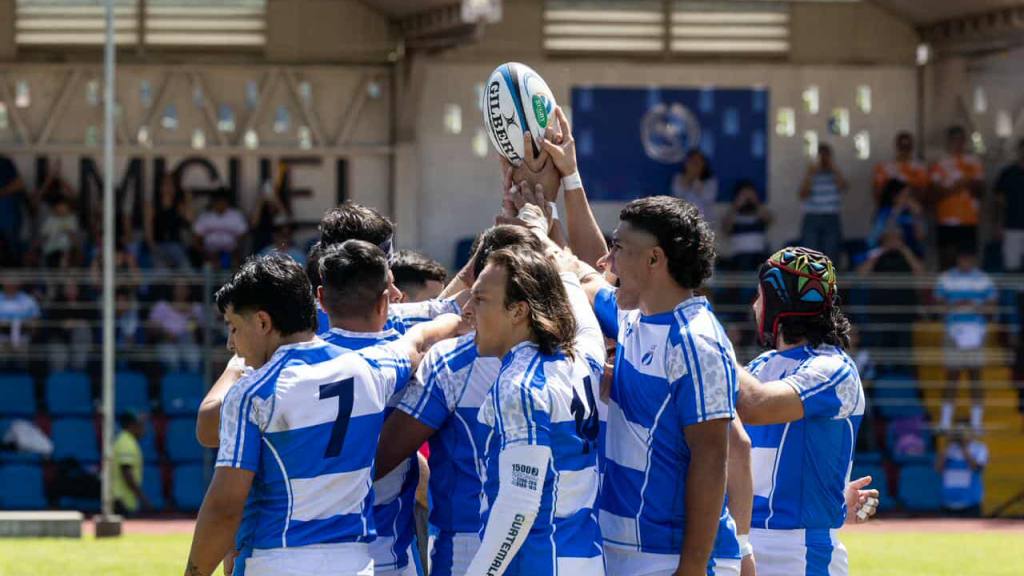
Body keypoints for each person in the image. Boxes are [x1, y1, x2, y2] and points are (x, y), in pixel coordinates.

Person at [183, 254, 460, 576]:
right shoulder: (369, 367)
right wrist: (458, 321)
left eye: (233, 327)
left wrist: (195, 572)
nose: (232, 343)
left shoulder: (252, 393)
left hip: (277, 560)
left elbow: (225, 507)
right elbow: (417, 340)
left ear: (262, 322)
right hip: (354, 562)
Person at [574, 196, 743, 576]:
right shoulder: (633, 318)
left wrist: (693, 568)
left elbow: (712, 458)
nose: (609, 262)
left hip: (668, 559)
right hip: (618, 547)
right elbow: (581, 276)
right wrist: (561, 185)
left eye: (617, 248)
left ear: (654, 259)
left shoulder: (696, 341)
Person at [456, 247, 603, 576]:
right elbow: (587, 325)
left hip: (537, 563)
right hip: (588, 561)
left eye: (480, 299)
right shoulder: (583, 359)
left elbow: (518, 507)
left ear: (518, 311)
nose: (467, 310)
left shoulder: (519, 387)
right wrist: (552, 245)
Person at [735, 246, 865, 576]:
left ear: (779, 302)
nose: (754, 305)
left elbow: (757, 406)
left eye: (760, 295)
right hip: (742, 540)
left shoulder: (832, 369)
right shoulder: (762, 364)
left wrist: (705, 341)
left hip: (798, 553)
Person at [935, 250, 997, 432]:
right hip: (953, 332)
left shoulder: (984, 279)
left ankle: (977, 423)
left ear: (974, 259)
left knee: (975, 377)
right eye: (963, 257)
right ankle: (945, 423)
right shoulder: (946, 278)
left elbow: (992, 307)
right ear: (958, 259)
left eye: (969, 258)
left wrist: (974, 306)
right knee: (951, 377)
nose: (966, 261)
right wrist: (955, 306)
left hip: (977, 332)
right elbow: (937, 306)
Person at [930, 125, 985, 270]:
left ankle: (968, 291)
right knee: (946, 260)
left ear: (964, 140)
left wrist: (968, 184)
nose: (957, 143)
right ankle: (946, 291)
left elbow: (981, 190)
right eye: (954, 139)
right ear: (948, 141)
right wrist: (959, 186)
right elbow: (934, 194)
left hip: (968, 219)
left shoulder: (974, 162)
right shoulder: (940, 163)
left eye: (960, 139)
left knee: (968, 261)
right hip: (946, 219)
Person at [799, 143, 848, 267]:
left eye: (826, 156)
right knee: (810, 253)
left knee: (832, 252)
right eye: (821, 156)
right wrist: (810, 173)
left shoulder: (835, 173)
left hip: (831, 216)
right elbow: (802, 194)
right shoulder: (811, 174)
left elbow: (843, 187)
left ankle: (829, 283)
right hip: (812, 216)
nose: (824, 159)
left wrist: (834, 168)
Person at [148, 280, 204, 374]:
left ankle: (192, 384)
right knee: (172, 358)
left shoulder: (196, 308)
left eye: (184, 288)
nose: (181, 290)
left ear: (189, 290)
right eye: (178, 288)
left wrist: (193, 326)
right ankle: (174, 385)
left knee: (194, 358)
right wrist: (164, 333)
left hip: (188, 343)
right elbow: (151, 328)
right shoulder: (162, 306)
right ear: (173, 289)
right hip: (166, 343)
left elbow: (201, 331)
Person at [936, 421, 988, 516]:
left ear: (971, 433)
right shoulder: (949, 448)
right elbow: (938, 469)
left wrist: (964, 447)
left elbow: (976, 468)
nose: (961, 435)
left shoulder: (979, 448)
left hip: (970, 503)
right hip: (947, 502)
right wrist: (947, 444)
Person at [145, 174, 194, 269]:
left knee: (186, 271)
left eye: (171, 185)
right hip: (159, 245)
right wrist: (153, 247)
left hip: (176, 245)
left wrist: (188, 201)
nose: (168, 188)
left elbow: (190, 220)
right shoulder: (153, 205)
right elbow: (148, 230)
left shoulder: (179, 205)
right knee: (162, 272)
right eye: (165, 185)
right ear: (160, 187)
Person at [722, 179, 773, 271]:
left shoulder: (759, 213)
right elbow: (726, 229)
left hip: (759, 255)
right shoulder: (734, 215)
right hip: (739, 257)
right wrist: (736, 206)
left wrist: (755, 202)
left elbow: (769, 219)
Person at [867, 179, 926, 257]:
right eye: (904, 195)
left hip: (910, 253)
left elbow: (920, 236)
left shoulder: (911, 213)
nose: (907, 199)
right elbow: (876, 236)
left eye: (909, 195)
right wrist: (897, 210)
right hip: (886, 253)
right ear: (894, 196)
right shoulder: (883, 212)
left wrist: (917, 216)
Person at [193, 189, 248, 269]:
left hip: (231, 252)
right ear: (213, 202)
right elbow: (197, 237)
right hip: (209, 253)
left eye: (223, 201)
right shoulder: (205, 216)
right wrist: (204, 253)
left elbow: (243, 236)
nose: (220, 204)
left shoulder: (236, 215)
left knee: (232, 262)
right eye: (218, 201)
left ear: (227, 202)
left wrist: (235, 250)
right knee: (207, 264)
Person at [872, 132, 928, 206]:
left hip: (911, 210)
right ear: (896, 146)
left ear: (912, 147)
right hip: (889, 208)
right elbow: (877, 193)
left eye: (908, 146)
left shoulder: (920, 167)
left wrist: (907, 193)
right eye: (901, 146)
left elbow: (924, 193)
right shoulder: (883, 166)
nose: (904, 149)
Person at [112, 412, 152, 515]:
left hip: (124, 499)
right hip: (121, 500)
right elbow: (127, 473)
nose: (144, 429)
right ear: (132, 425)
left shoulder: (126, 440)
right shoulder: (126, 443)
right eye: (141, 425)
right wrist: (143, 499)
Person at [994, 137, 1024, 272]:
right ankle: (1013, 294)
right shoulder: (1008, 173)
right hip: (1012, 226)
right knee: (1011, 266)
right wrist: (999, 224)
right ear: (1019, 151)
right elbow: (999, 202)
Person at [672, 148, 718, 225]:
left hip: (705, 220)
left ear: (704, 164)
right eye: (692, 161)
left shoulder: (710, 181)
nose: (695, 164)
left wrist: (696, 180)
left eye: (698, 162)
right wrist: (688, 177)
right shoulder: (678, 178)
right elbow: (677, 194)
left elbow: (708, 197)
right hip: (683, 220)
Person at [38, 196, 80, 268]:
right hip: (51, 250)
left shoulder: (72, 219)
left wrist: (78, 248)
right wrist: (37, 247)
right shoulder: (50, 220)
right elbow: (44, 236)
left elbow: (73, 235)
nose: (61, 210)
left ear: (69, 208)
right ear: (55, 208)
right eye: (59, 207)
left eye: (64, 207)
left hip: (66, 250)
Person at [0, 280, 41, 350]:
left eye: (13, 280)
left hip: (22, 335)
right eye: (8, 280)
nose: (10, 283)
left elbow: (35, 319)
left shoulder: (28, 300)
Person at [0, 153, 27, 254]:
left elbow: (19, 184)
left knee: (12, 249)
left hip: (8, 218)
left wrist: (2, 192)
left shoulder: (3, 162)